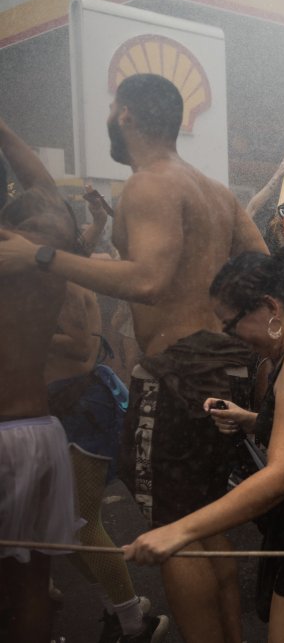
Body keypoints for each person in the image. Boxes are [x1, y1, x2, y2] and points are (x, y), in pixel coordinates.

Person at [0, 73, 268, 643]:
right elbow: (262, 265)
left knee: (175, 532)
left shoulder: (149, 184)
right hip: (221, 365)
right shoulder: (213, 190)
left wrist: (41, 256)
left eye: (109, 110)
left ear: (125, 115)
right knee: (205, 521)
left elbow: (147, 280)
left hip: (179, 371)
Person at [124, 241, 284, 643]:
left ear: (269, 307)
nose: (231, 338)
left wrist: (179, 531)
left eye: (231, 325)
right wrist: (249, 420)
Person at [45, 251, 169, 640]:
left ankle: (135, 625)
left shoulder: (65, 280)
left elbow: (81, 347)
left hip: (80, 407)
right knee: (60, 530)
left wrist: (20, 329)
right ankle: (119, 610)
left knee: (81, 522)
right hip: (54, 408)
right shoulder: (42, 278)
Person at [0, 116, 82, 643]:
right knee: (32, 583)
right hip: (36, 430)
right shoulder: (46, 257)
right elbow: (47, 191)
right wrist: (5, 130)